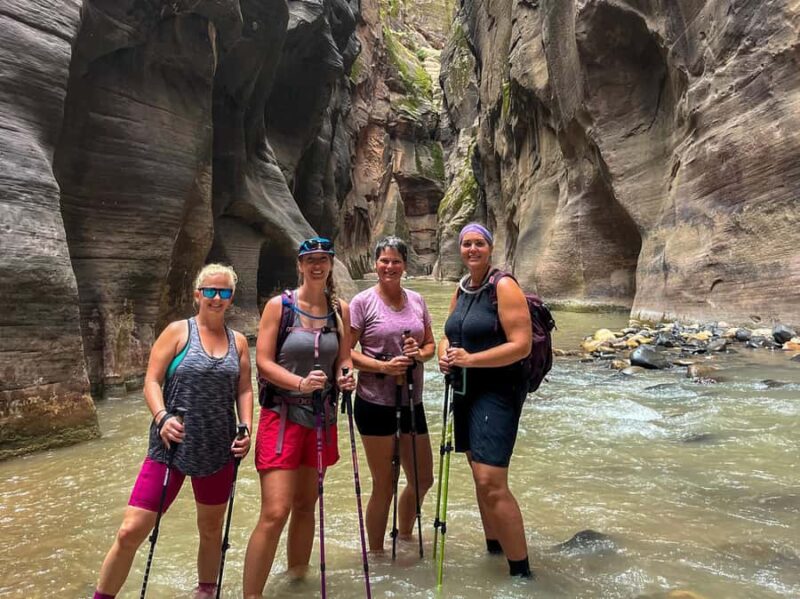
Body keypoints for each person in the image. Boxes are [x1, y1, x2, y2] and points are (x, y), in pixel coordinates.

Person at [93, 264, 253, 599]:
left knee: (211, 530)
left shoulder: (237, 342)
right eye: (210, 290)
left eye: (224, 292)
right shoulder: (178, 332)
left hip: (218, 446)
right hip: (171, 443)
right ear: (198, 294)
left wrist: (246, 428)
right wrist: (162, 417)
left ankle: (206, 592)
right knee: (129, 531)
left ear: (231, 298)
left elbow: (244, 390)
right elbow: (151, 381)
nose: (217, 297)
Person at [243, 237, 355, 598]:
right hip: (283, 417)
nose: (317, 266)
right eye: (310, 260)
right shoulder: (279, 306)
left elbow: (345, 358)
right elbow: (263, 362)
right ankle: (252, 595)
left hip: (321, 419)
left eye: (323, 259)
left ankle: (296, 584)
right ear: (300, 266)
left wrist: (347, 375)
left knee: (307, 505)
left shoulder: (340, 310)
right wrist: (300, 383)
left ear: (331, 263)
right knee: (276, 511)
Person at [437, 223, 533, 578]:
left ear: (490, 248)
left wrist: (471, 360)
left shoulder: (503, 286)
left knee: (492, 480)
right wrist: (444, 356)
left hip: (498, 392)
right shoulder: (462, 289)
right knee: (479, 475)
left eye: (479, 243)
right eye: (466, 244)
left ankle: (521, 573)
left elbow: (520, 345)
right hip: (465, 390)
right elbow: (450, 334)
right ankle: (495, 548)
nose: (472, 249)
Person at [349, 236, 436, 552]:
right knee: (384, 485)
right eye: (384, 261)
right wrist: (382, 367)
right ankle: (376, 554)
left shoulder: (417, 301)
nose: (389, 266)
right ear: (375, 265)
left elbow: (430, 346)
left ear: (405, 266)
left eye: (396, 261)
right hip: (374, 402)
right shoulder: (362, 303)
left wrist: (418, 354)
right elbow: (345, 353)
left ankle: (404, 535)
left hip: (412, 400)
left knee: (422, 479)